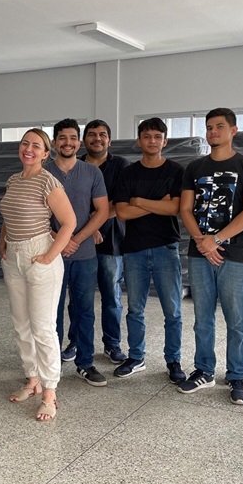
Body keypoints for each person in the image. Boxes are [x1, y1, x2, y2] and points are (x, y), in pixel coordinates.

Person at [178, 108, 243, 406]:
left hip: (234, 253)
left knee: (236, 318)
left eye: (219, 126)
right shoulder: (194, 167)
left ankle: (237, 375)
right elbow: (185, 209)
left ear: (233, 130)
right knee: (203, 317)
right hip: (200, 253)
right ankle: (204, 370)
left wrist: (215, 239)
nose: (213, 132)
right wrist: (202, 242)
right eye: (209, 127)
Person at [0, 129, 76, 421]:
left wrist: (49, 256)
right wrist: (3, 239)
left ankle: (50, 392)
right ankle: (32, 380)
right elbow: (9, 215)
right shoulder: (13, 180)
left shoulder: (48, 181)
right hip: (14, 257)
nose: (28, 149)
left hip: (40, 255)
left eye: (36, 145)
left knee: (43, 328)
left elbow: (69, 222)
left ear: (46, 153)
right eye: (25, 143)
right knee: (21, 325)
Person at [112, 118, 186, 383]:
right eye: (147, 136)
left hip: (166, 247)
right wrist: (159, 203)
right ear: (139, 140)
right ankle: (136, 357)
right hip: (134, 250)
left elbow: (175, 208)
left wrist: (140, 201)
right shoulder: (128, 173)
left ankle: (173, 360)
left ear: (165, 141)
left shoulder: (176, 171)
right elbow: (122, 212)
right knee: (135, 309)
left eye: (157, 136)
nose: (152, 141)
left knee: (173, 310)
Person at [47, 119, 109, 386]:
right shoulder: (43, 171)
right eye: (62, 138)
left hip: (84, 255)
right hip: (51, 254)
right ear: (54, 143)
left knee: (84, 311)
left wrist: (76, 239)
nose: (68, 143)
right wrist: (59, 240)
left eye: (73, 138)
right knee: (51, 311)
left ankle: (85, 363)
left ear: (79, 142)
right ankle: (51, 364)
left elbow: (102, 211)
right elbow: (35, 213)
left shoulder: (92, 173)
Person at [81, 119, 130, 364]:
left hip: (112, 241)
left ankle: (112, 344)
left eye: (102, 134)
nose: (97, 138)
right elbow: (67, 203)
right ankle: (77, 343)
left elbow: (121, 202)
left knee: (111, 296)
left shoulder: (121, 165)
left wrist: (94, 223)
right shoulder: (75, 165)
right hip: (79, 241)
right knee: (80, 297)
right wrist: (88, 230)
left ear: (109, 140)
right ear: (84, 140)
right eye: (92, 134)